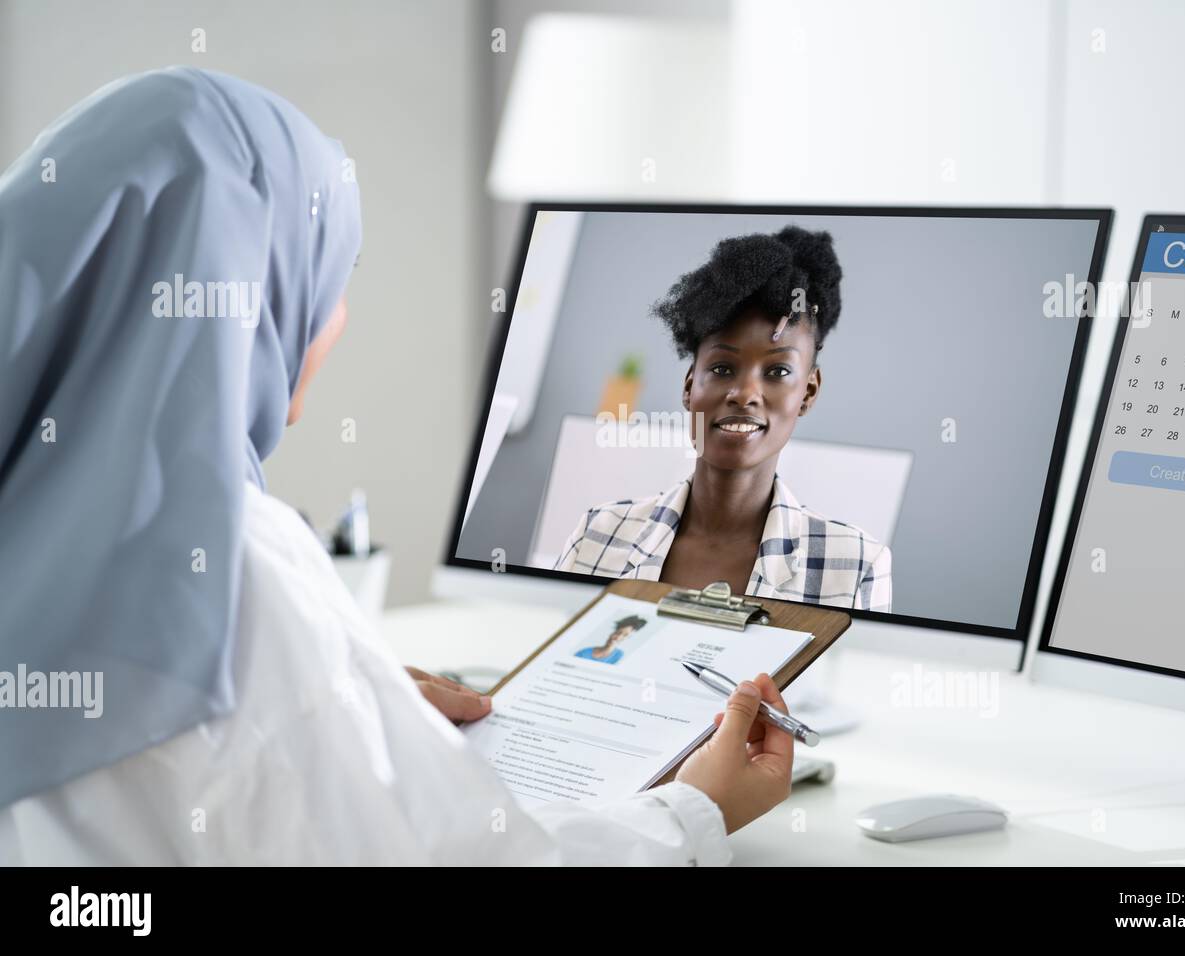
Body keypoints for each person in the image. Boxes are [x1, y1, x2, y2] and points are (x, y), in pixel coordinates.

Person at [0, 67, 791, 865]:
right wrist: (695, 812)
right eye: (327, 276)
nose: (333, 318)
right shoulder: (231, 568)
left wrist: (341, 711)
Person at [555, 227, 892, 612]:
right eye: (721, 368)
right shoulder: (598, 535)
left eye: (778, 371)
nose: (744, 393)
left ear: (808, 392)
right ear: (688, 386)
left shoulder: (855, 567)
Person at [574, 615, 647, 665]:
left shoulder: (620, 656)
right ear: (612, 632)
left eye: (625, 635)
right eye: (618, 633)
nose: (618, 637)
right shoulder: (584, 652)